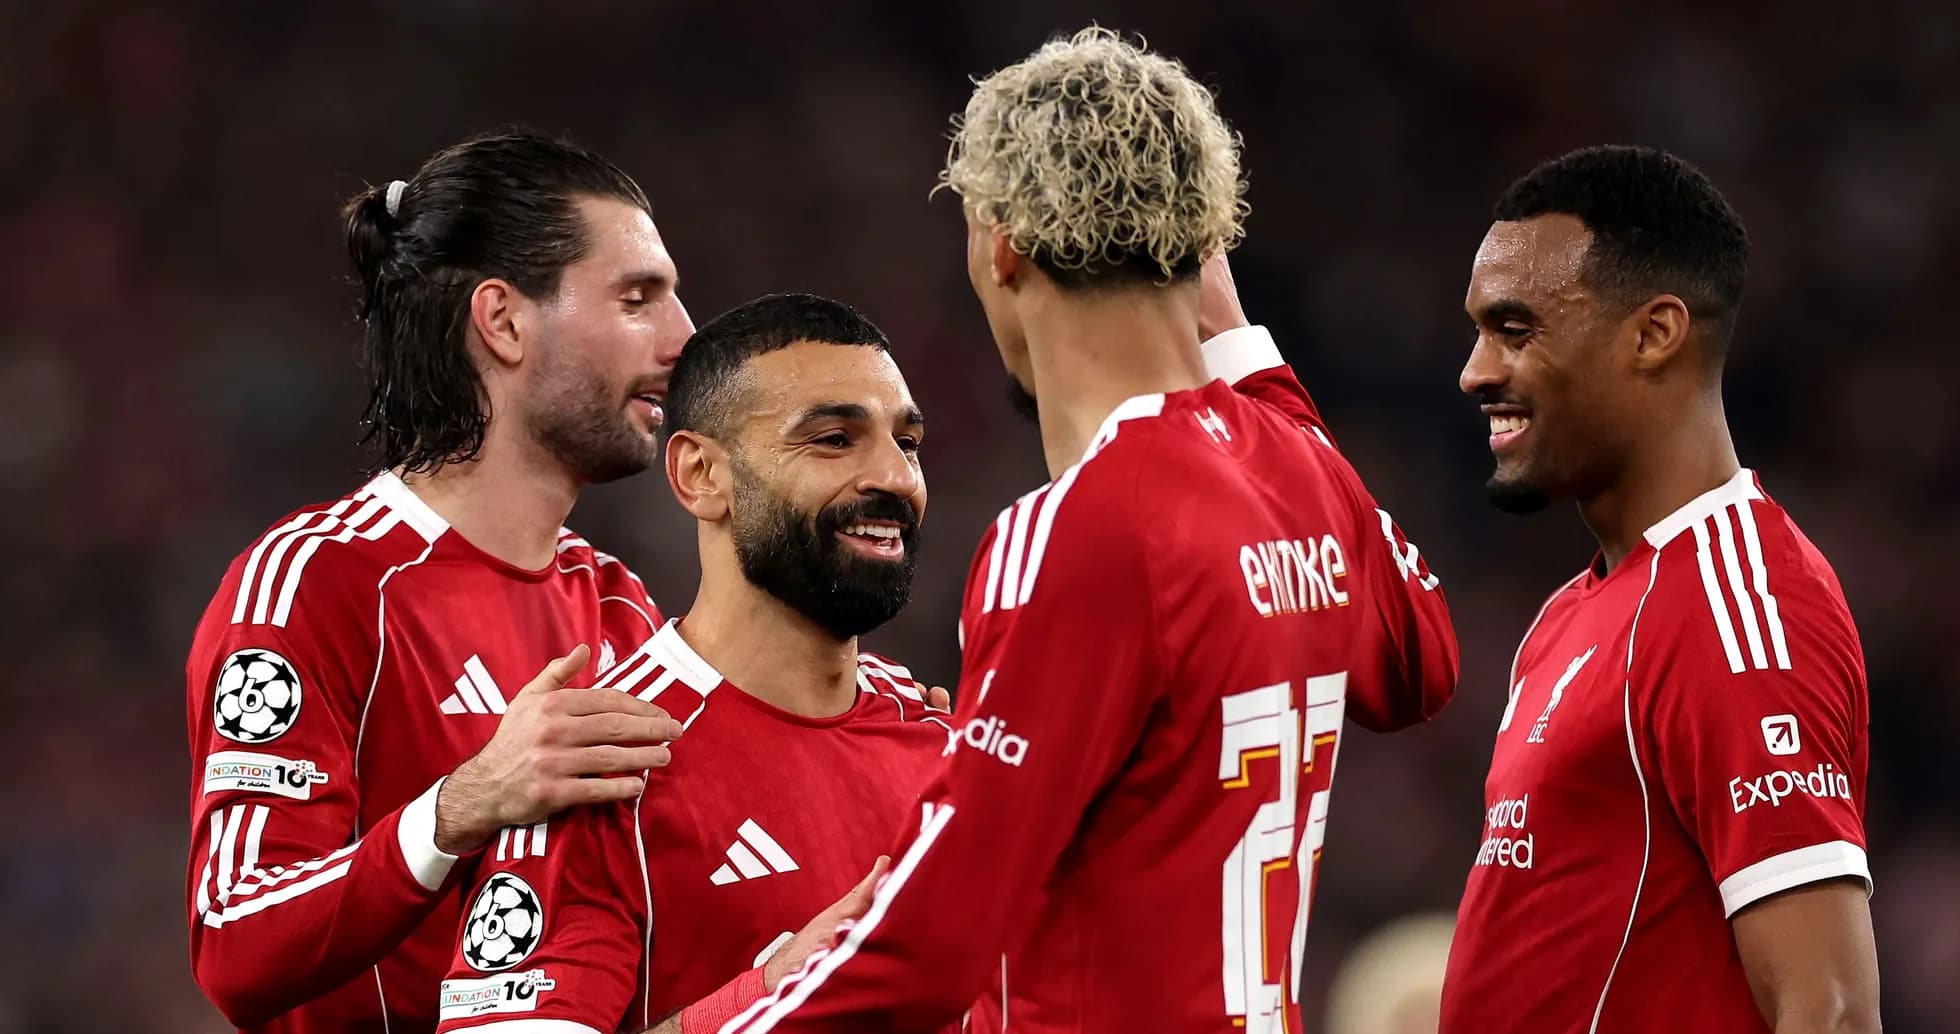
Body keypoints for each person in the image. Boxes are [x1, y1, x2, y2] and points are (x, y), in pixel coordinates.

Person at [720, 28, 1459, 1034]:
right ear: (1202, 246)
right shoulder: (1297, 465)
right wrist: (1241, 347)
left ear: (1002, 243)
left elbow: (931, 944)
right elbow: (1420, 662)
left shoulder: (1076, 529)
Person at [185, 129, 693, 1033]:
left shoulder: (620, 608)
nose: (683, 337)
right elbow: (236, 941)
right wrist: (462, 806)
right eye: (637, 298)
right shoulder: (317, 583)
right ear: (502, 321)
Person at [1436, 146, 1880, 1032]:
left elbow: (1829, 1010)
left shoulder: (1739, 605)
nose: (1476, 371)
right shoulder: (1570, 616)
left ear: (1654, 333)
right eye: (1480, 331)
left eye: (1515, 330)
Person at [430, 293, 951, 1034]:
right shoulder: (603, 761)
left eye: (909, 443)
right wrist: (772, 1000)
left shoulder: (941, 744)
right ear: (702, 474)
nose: (896, 478)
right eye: (835, 439)